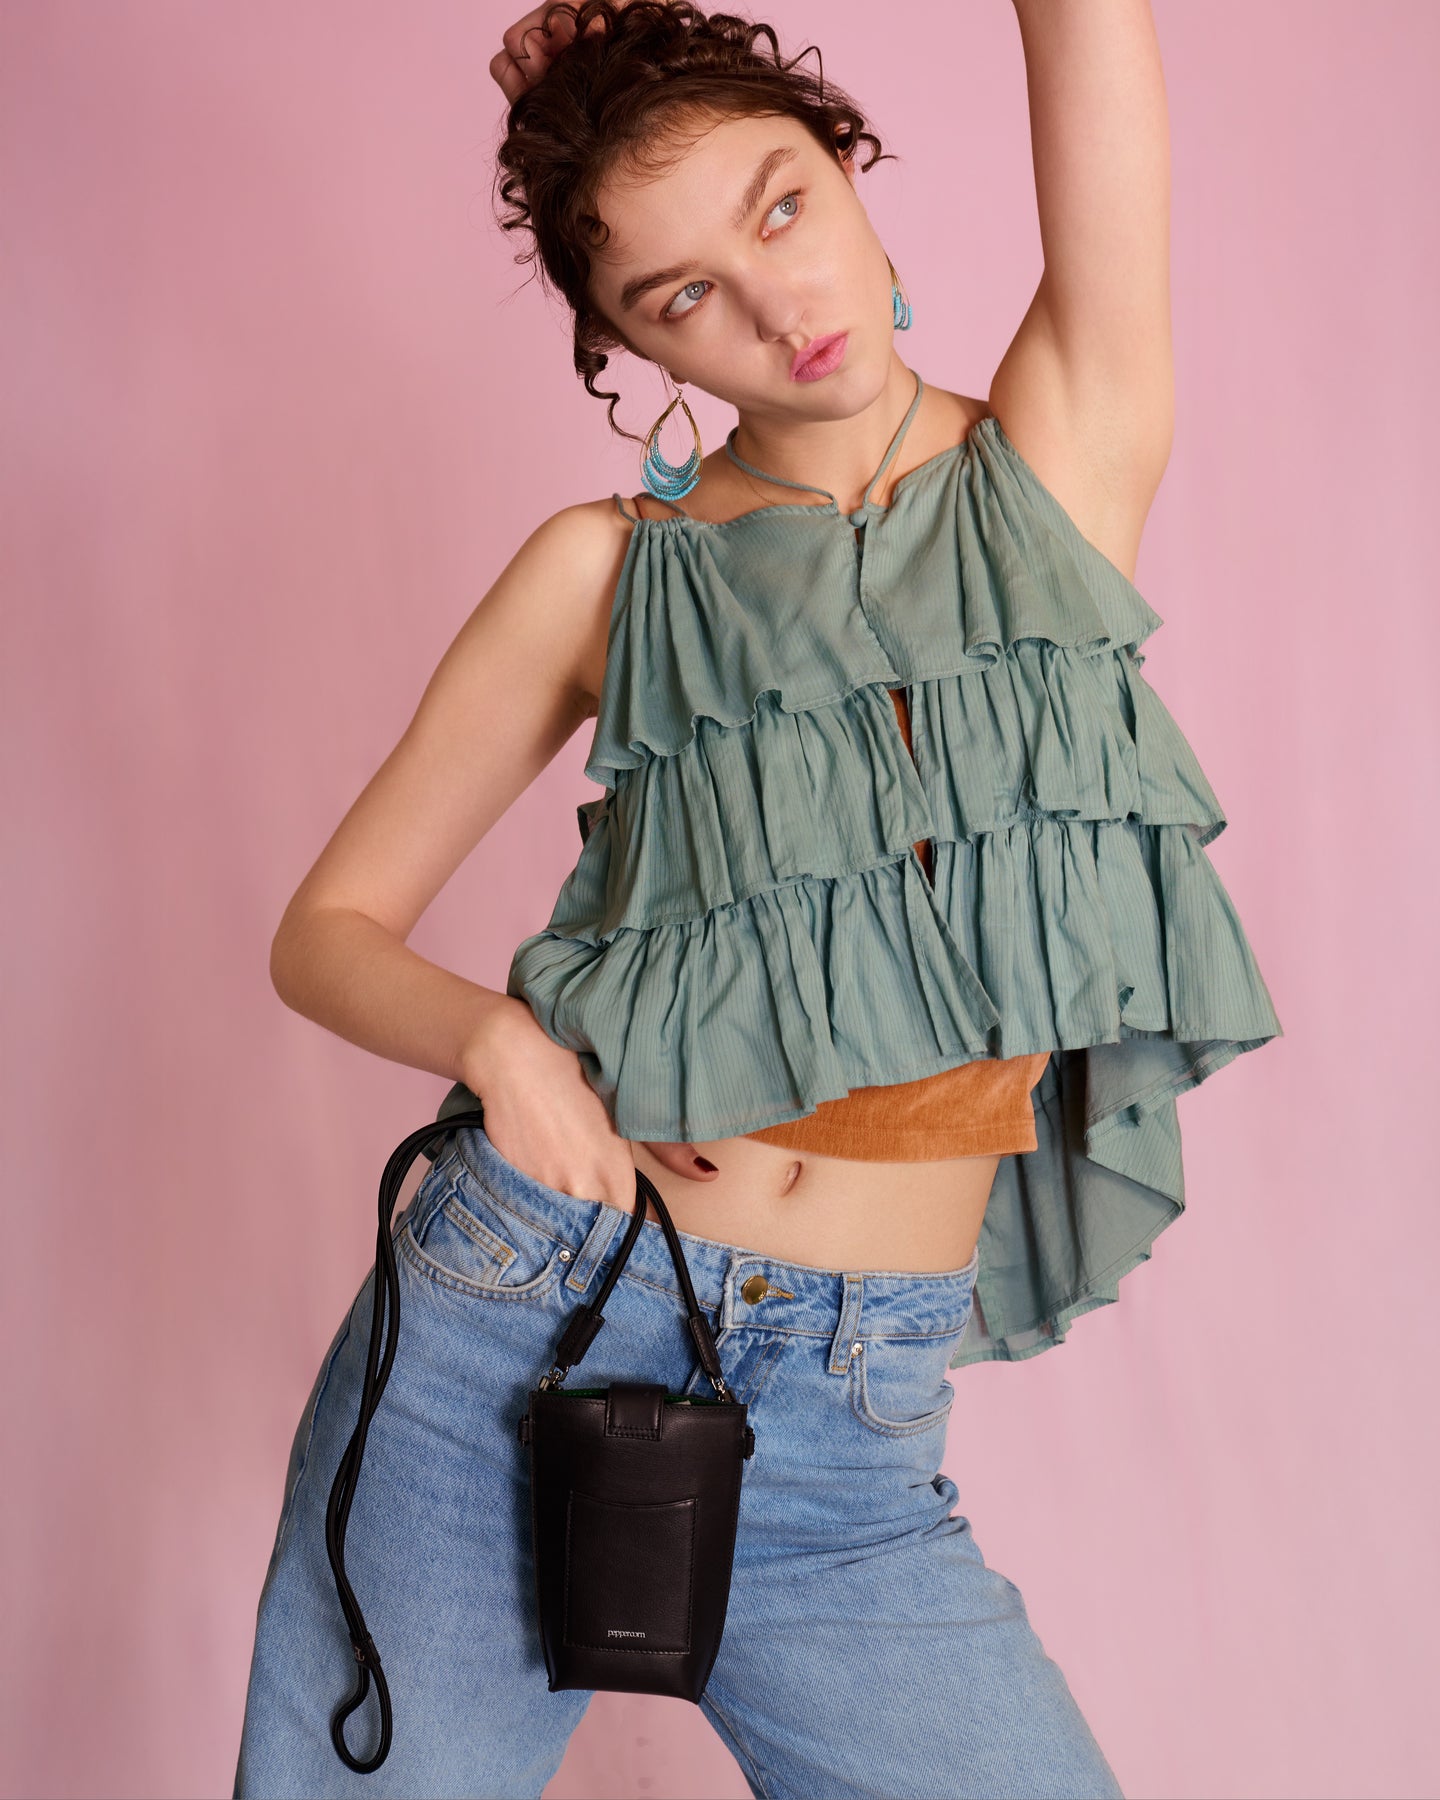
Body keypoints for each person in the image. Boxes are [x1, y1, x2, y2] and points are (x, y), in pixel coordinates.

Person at [233, 2, 1282, 1794]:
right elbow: (321, 936)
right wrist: (506, 1049)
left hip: (850, 1425)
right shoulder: (604, 571)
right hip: (521, 1322)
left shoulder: (1061, 458)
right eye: (682, 294)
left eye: (781, 206)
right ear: (633, 347)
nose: (776, 304)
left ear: (851, 166)